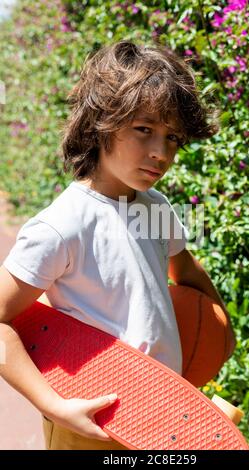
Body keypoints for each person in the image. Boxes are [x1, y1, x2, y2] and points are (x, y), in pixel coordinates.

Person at [0, 40, 236, 450]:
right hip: (90, 422)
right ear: (100, 122)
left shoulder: (155, 207)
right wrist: (54, 406)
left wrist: (216, 333)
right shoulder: (62, 225)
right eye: (143, 130)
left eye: (173, 138)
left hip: (160, 412)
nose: (160, 153)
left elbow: (191, 278)